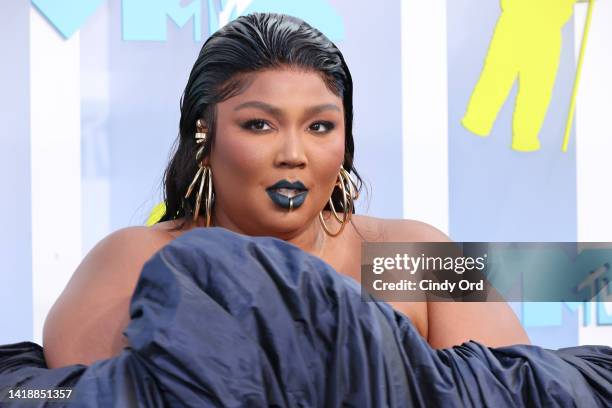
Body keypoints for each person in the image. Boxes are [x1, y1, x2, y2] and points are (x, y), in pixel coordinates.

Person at [42, 12, 529, 369]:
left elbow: (523, 387)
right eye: (259, 124)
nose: (293, 153)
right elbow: (51, 395)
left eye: (320, 127)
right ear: (203, 137)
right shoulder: (137, 259)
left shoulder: (402, 256)